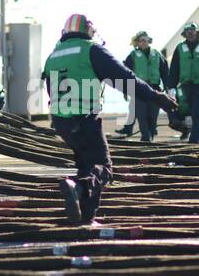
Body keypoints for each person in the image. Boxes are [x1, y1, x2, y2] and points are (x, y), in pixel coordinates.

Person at [43, 14, 178, 224]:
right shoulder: (90, 50)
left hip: (61, 122)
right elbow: (124, 78)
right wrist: (156, 97)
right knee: (103, 167)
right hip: (84, 119)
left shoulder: (54, 55)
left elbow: (50, 89)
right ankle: (78, 188)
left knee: (86, 164)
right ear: (87, 30)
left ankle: (85, 217)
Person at [123, 31, 171, 141]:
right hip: (140, 88)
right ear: (137, 43)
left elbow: (165, 71)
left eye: (146, 40)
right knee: (141, 115)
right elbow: (126, 73)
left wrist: (167, 87)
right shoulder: (132, 55)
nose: (144, 42)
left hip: (155, 88)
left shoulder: (157, 54)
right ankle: (145, 137)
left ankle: (150, 136)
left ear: (149, 41)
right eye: (141, 40)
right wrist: (126, 90)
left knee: (153, 115)